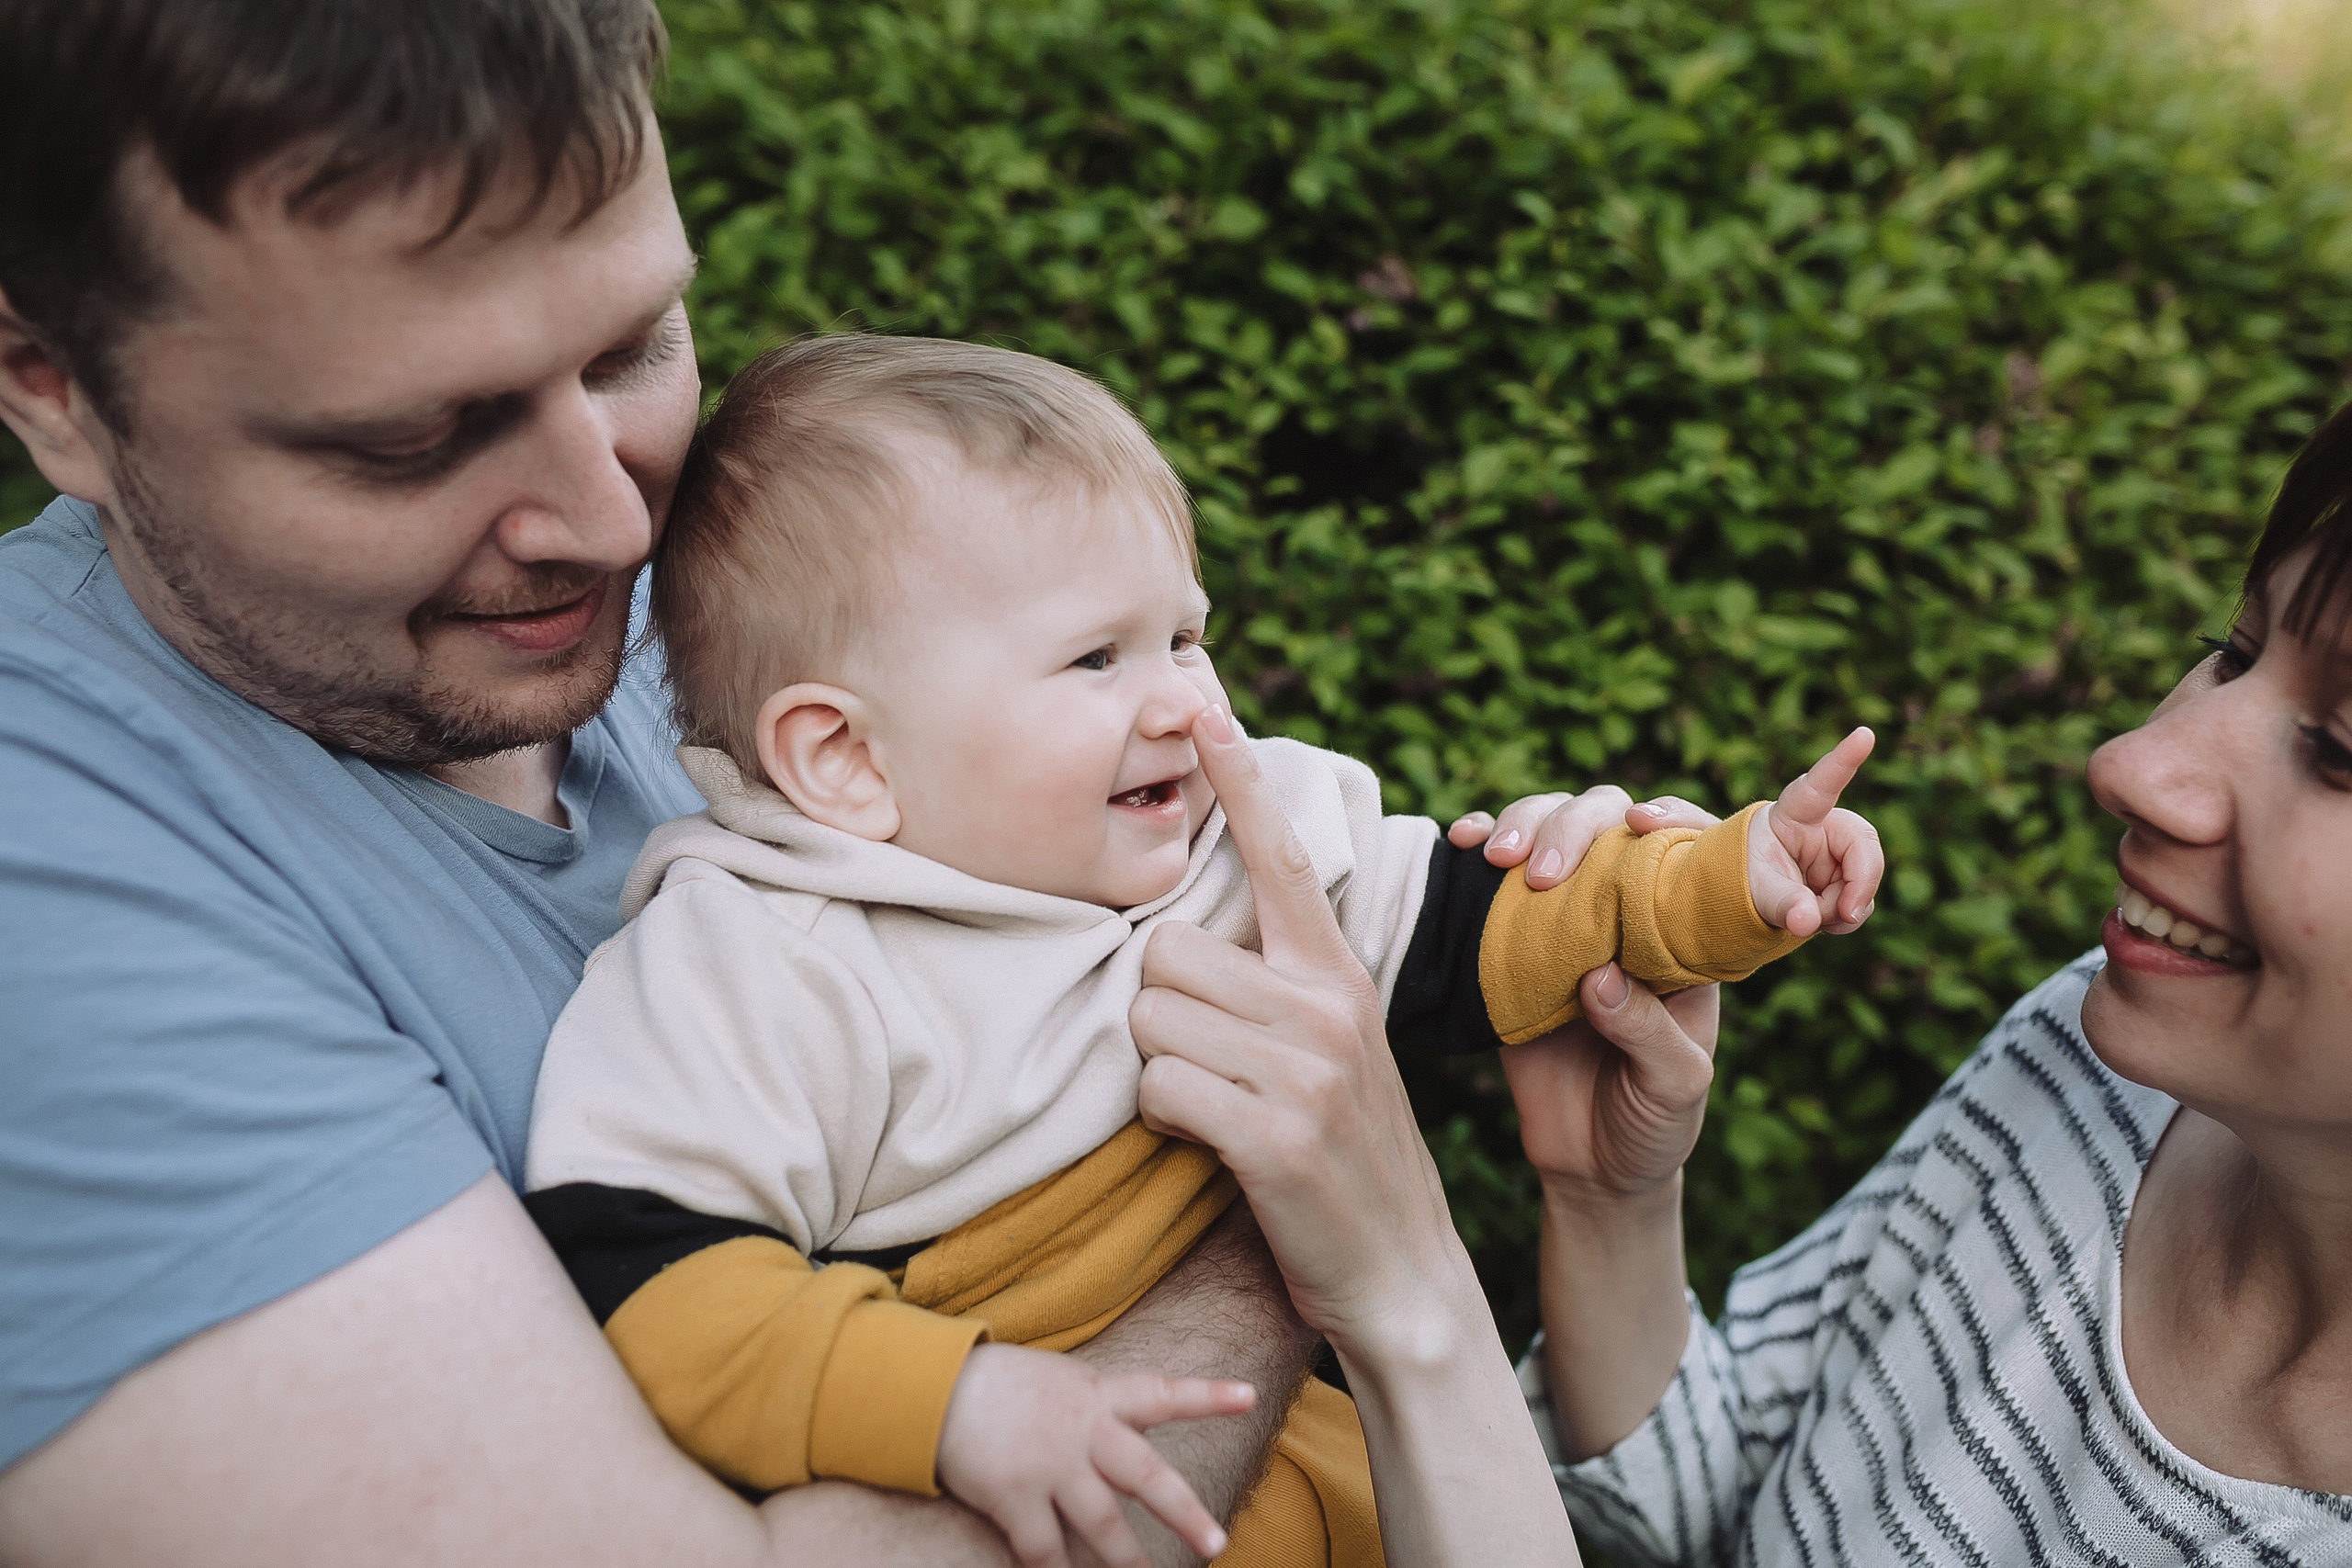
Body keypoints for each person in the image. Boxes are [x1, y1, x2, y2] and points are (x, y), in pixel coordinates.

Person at [0, 4, 1553, 1562]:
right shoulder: (54, 872)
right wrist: (1276, 1219)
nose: (613, 526)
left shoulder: (734, 619)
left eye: (631, 350)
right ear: (48, 383)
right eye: (415, 434)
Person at [516, 334, 1887, 1568]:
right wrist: (952, 1401)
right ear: (846, 757)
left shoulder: (1243, 836)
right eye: (1096, 659)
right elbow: (650, 1270)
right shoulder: (764, 959)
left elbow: (1496, 918)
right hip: (1045, 1452)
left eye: (1183, 633)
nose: (1183, 695)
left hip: (1349, 1482)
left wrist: (1720, 884)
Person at [1492, 400, 2352, 1563]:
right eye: (2232, 652)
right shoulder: (2090, 1074)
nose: (2133, 765)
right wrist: (1607, 1199)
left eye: (2340, 749)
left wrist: (1395, 1274)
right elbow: (1715, 1508)